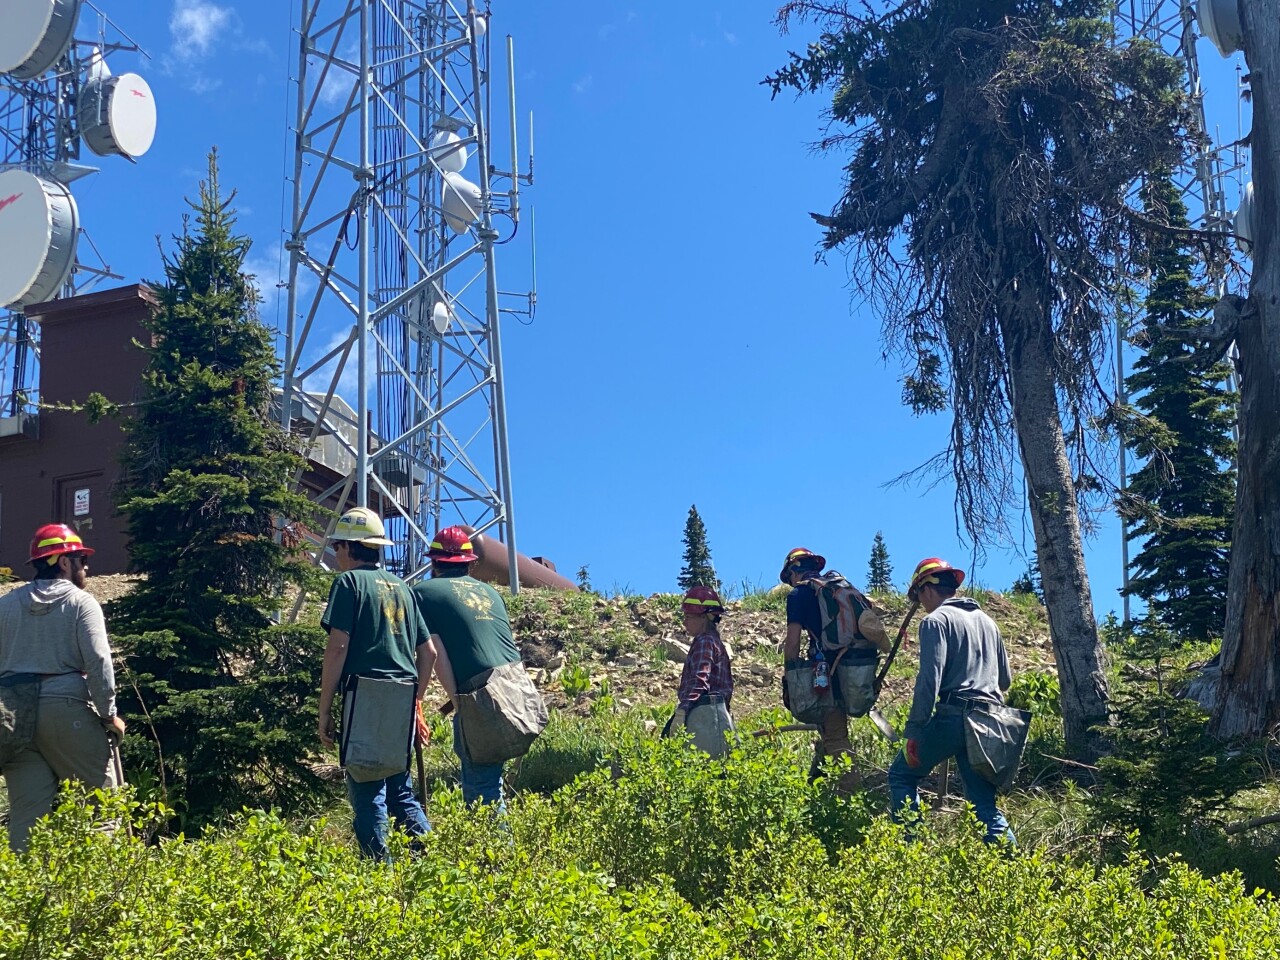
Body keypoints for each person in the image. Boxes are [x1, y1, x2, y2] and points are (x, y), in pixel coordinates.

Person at [318, 507, 437, 860]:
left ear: (351, 548)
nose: (335, 554)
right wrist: (416, 699)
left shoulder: (348, 583)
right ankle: (429, 862)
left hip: (364, 694)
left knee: (367, 789)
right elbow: (428, 653)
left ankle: (378, 874)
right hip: (402, 695)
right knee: (400, 790)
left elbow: (338, 646)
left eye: (338, 547)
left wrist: (325, 710)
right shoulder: (404, 587)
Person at [0, 524, 126, 852]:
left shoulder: (5, 606)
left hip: (14, 720)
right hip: (66, 710)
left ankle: (24, 898)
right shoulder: (81, 603)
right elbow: (99, 662)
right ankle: (102, 897)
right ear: (63, 563)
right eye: (81, 559)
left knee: (28, 821)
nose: (87, 567)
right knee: (101, 811)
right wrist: (107, 713)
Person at [888, 557, 1015, 844]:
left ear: (927, 590)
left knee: (901, 776)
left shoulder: (936, 621)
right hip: (989, 722)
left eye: (919, 598)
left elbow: (929, 681)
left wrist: (915, 730)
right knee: (984, 804)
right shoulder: (988, 622)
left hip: (955, 715)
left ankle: (911, 853)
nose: (921, 604)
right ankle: (1012, 867)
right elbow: (1004, 680)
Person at [409, 526, 517, 809]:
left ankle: (494, 852)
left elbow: (434, 653)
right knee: (491, 784)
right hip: (516, 692)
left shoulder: (423, 593)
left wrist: (455, 702)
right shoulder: (491, 593)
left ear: (434, 562)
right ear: (470, 563)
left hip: (478, 695)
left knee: (481, 789)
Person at [780, 547, 854, 780]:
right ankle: (817, 785)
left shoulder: (798, 595)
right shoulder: (837, 589)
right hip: (852, 666)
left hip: (826, 672)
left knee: (835, 737)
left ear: (793, 571)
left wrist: (790, 678)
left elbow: (793, 642)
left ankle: (851, 798)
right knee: (831, 730)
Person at [666, 585, 735, 757]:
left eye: (688, 616)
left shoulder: (704, 641)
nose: (685, 622)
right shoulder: (715, 642)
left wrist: (682, 711)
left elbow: (699, 680)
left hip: (704, 715)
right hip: (718, 716)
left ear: (704, 618)